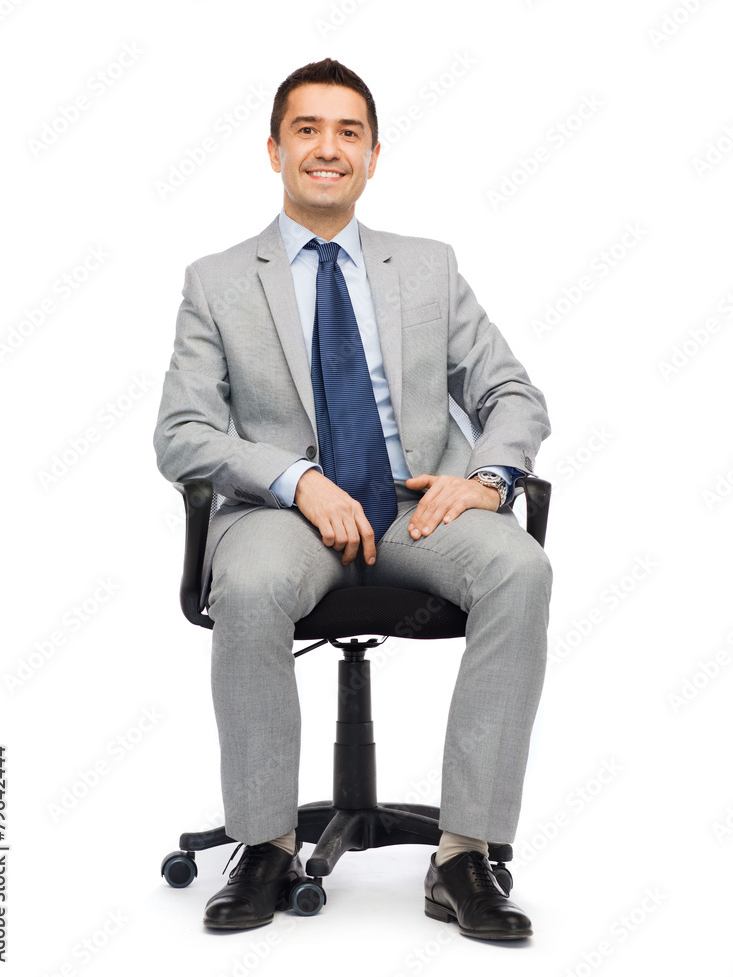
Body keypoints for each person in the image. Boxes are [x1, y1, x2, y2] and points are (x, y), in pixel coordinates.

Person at [153, 58, 553, 941]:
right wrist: (295, 479)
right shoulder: (217, 280)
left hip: (416, 507)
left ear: (372, 156)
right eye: (306, 130)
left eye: (347, 133)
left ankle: (462, 855)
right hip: (279, 517)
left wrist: (485, 480)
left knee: (519, 570)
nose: (326, 149)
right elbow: (181, 432)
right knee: (251, 587)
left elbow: (513, 395)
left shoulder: (428, 267)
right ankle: (263, 846)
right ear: (273, 150)